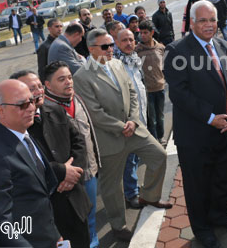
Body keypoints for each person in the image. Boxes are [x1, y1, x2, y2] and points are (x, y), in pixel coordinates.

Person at [73, 29, 172, 242]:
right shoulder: (82, 76)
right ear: (91, 49)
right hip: (109, 138)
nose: (111, 49)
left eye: (111, 45)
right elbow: (94, 112)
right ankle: (118, 225)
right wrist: (121, 126)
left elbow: (134, 91)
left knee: (159, 156)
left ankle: (150, 196)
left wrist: (133, 120)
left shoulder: (117, 64)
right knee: (112, 186)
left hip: (133, 128)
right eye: (105, 46)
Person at [163, 0, 227, 248]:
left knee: (225, 178)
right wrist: (211, 118)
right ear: (191, 22)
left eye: (212, 20)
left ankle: (219, 215)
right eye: (203, 20)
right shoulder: (177, 51)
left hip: (226, 129)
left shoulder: (222, 44)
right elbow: (179, 93)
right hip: (196, 134)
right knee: (198, 185)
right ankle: (202, 229)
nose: (209, 25)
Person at [0, 80, 61, 247]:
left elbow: (39, 195)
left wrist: (54, 236)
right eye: (22, 105)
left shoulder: (23, 134)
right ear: (0, 110)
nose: (32, 108)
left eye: (32, 101)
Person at [12, 68, 93, 248]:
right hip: (46, 215)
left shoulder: (54, 110)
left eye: (39, 86)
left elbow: (78, 142)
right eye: (31, 89)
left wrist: (74, 173)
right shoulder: (15, 126)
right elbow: (22, 166)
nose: (38, 91)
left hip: (74, 203)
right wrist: (61, 172)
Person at [41, 62, 101, 248]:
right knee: (71, 227)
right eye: (61, 79)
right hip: (64, 182)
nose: (68, 82)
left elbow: (85, 138)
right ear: (48, 85)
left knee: (90, 217)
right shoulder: (45, 110)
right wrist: (66, 177)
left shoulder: (77, 99)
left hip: (89, 171)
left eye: (69, 77)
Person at [114, 29, 148, 210]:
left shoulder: (134, 59)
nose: (128, 43)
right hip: (127, 121)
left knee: (135, 157)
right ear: (116, 43)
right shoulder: (113, 64)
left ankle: (134, 189)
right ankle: (131, 194)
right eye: (124, 40)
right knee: (129, 158)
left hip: (140, 116)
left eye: (131, 40)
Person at [135, 20, 166, 144]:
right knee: (151, 118)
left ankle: (161, 136)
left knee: (161, 116)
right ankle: (154, 140)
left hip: (160, 87)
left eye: (145, 32)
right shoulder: (137, 50)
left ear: (152, 33)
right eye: (140, 33)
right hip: (147, 90)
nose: (142, 35)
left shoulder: (160, 48)